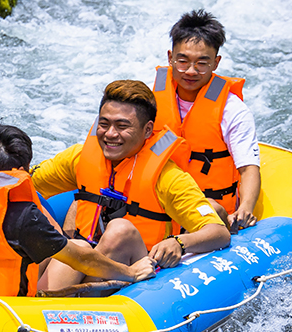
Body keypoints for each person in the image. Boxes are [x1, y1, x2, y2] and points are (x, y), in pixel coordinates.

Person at [32, 80, 231, 293]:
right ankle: (35, 305)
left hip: (136, 266)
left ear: (147, 131)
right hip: (84, 255)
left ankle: (54, 307)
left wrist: (179, 243)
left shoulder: (168, 177)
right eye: (104, 123)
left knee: (120, 230)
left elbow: (218, 232)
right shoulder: (79, 158)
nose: (110, 134)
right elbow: (29, 182)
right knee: (55, 226)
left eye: (122, 126)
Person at [0, 124, 155, 297]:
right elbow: (82, 260)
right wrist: (130, 272)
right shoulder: (22, 215)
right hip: (3, 312)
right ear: (24, 169)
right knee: (82, 246)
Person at [151, 9, 261, 231]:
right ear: (170, 57)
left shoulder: (232, 110)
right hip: (159, 201)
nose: (191, 71)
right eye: (182, 61)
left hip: (208, 207)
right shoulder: (149, 102)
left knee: (208, 207)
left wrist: (246, 207)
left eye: (202, 63)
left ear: (216, 62)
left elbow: (248, 168)